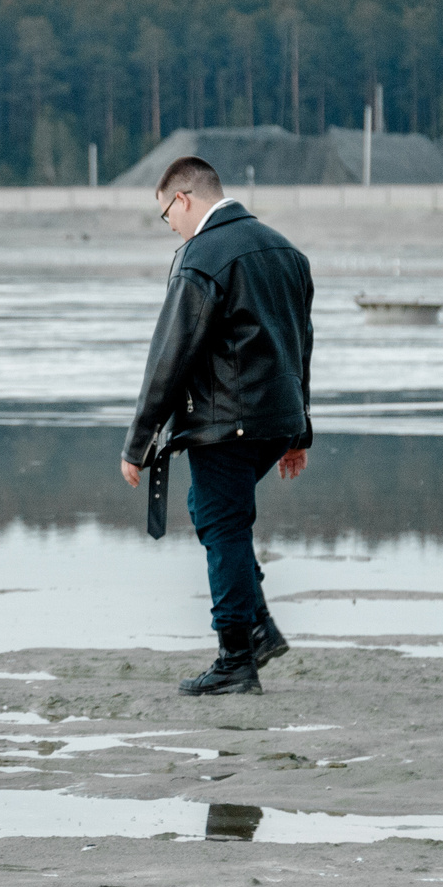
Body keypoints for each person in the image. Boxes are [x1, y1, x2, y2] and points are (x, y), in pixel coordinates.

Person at [122, 156, 314, 696]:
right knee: (216, 513)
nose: (170, 228)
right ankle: (259, 628)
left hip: (228, 422)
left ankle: (236, 659)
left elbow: (170, 355)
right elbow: (301, 346)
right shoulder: (286, 251)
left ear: (182, 199)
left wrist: (137, 442)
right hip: (276, 421)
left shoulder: (202, 256)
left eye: (166, 216)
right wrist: (300, 432)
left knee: (222, 524)